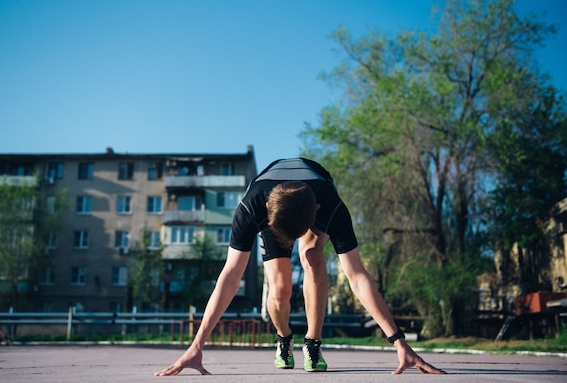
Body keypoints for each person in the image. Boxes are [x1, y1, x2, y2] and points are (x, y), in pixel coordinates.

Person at [155, 158, 445, 376]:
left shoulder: (332, 208)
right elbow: (229, 277)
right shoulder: (251, 208)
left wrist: (399, 343)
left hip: (314, 193)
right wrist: (197, 345)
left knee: (312, 256)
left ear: (317, 213)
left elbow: (357, 276)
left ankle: (313, 343)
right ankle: (284, 339)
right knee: (280, 291)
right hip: (276, 200)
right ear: (267, 213)